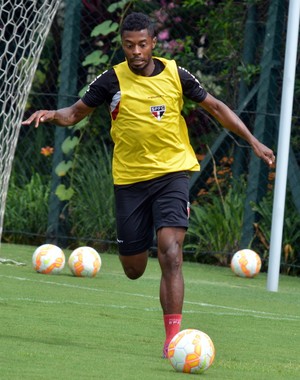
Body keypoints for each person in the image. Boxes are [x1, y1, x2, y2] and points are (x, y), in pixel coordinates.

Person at [22, 12, 275, 358]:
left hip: (172, 174)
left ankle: (173, 339)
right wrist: (51, 114)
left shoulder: (176, 74)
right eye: (129, 45)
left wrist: (254, 141)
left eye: (142, 44)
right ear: (123, 46)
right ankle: (139, 264)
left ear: (153, 43)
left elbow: (215, 107)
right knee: (133, 268)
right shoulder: (111, 81)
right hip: (129, 181)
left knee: (171, 251)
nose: (136, 51)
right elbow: (76, 113)